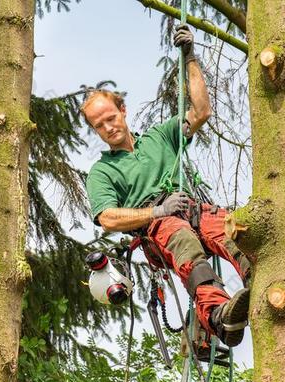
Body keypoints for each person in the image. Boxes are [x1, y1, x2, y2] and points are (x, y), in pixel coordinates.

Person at [83, 25, 251, 347]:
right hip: (160, 225)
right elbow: (107, 219)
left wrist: (189, 58)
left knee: (234, 230)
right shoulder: (102, 172)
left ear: (123, 111)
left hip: (191, 207)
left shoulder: (160, 137)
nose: (108, 127)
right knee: (184, 241)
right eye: (99, 125)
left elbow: (201, 111)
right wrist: (158, 210)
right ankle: (218, 315)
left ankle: (257, 279)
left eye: (110, 117)